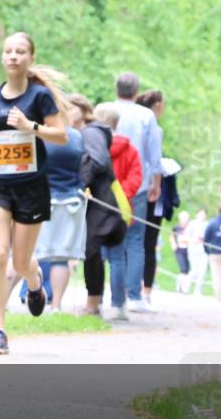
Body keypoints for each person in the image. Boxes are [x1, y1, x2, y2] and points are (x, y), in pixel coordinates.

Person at [0, 32, 68, 354]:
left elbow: (61, 136)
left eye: (20, 51)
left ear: (29, 58)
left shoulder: (40, 97)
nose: (13, 56)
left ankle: (34, 282)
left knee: (21, 260)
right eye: (8, 51)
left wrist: (31, 126)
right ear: (3, 58)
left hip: (31, 188)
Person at [15, 94, 86, 312]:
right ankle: (55, 306)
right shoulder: (76, 137)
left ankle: (14, 297)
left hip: (41, 197)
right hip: (70, 200)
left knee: (27, 252)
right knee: (61, 257)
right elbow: (83, 168)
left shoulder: (39, 137)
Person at [68, 94, 127, 318]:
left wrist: (82, 182)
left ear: (83, 110)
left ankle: (93, 303)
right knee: (92, 251)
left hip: (104, 200)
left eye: (71, 109)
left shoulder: (91, 132)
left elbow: (99, 160)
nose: (67, 114)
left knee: (92, 250)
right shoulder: (85, 133)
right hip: (99, 199)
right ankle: (95, 301)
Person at [110, 73, 163, 312]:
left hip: (110, 185)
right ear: (136, 90)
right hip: (138, 184)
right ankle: (134, 295)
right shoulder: (146, 115)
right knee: (135, 240)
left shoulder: (107, 111)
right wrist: (156, 182)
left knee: (114, 241)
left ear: (116, 89)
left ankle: (114, 298)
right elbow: (154, 153)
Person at [94, 103, 143, 320]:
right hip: (121, 209)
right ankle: (118, 304)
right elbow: (136, 178)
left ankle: (95, 301)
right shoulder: (130, 149)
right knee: (117, 257)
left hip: (96, 207)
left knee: (96, 257)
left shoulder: (94, 146)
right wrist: (121, 195)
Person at [136, 91, 179, 309]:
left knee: (134, 242)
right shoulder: (154, 127)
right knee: (149, 243)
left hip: (132, 187)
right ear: (158, 105)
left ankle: (131, 290)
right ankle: (145, 293)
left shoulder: (129, 121)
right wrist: (157, 183)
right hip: (150, 190)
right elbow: (154, 161)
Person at [186, 209, 210, 296]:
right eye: (200, 214)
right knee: (194, 270)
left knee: (203, 271)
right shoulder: (192, 223)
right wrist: (194, 240)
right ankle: (186, 288)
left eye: (204, 214)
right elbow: (186, 235)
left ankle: (198, 290)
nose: (202, 215)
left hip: (204, 251)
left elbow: (209, 237)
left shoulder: (207, 224)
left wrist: (204, 239)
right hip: (193, 250)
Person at [170, 210, 191, 294]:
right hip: (179, 249)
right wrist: (173, 244)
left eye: (186, 219)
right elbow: (172, 235)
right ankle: (180, 287)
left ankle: (183, 287)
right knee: (183, 268)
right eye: (183, 219)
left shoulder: (190, 227)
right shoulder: (176, 227)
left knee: (186, 269)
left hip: (188, 249)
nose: (185, 220)